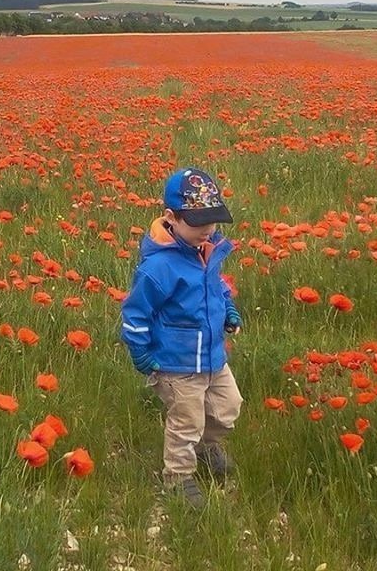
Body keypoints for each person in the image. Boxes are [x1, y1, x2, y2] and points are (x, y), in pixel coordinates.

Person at [121, 167, 243, 508]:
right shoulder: (159, 268)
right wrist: (141, 352)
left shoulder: (208, 250)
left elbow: (216, 287)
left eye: (212, 220)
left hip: (213, 357)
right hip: (176, 362)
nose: (207, 229)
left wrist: (228, 308)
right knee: (186, 421)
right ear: (170, 217)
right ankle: (178, 478)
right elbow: (135, 314)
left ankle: (205, 448)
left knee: (227, 409)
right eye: (198, 221)